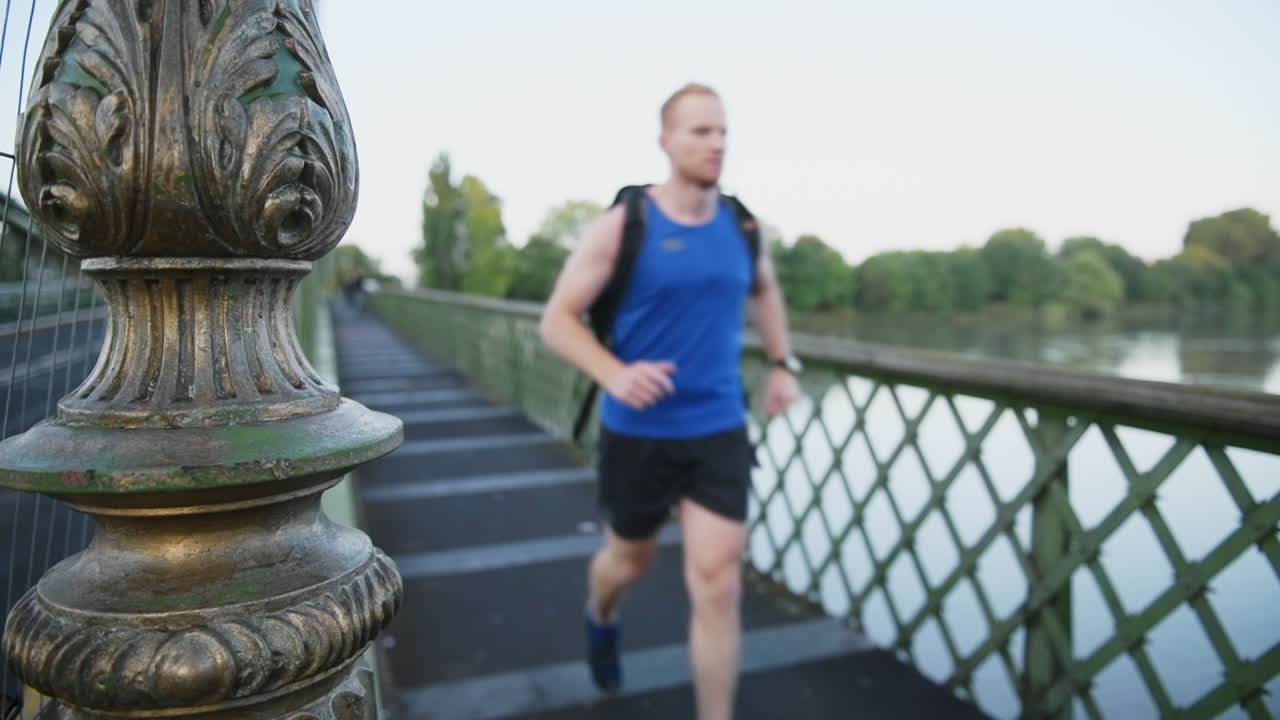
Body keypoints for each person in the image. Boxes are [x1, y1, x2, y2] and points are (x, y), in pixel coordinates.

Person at [538, 83, 803, 720]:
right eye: (700, 132)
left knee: (719, 583)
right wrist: (614, 373)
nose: (716, 144)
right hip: (638, 432)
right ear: (666, 141)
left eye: (722, 131)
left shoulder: (742, 226)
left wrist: (782, 362)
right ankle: (600, 613)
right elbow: (556, 321)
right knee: (628, 563)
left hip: (718, 427)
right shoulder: (626, 224)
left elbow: (765, 291)